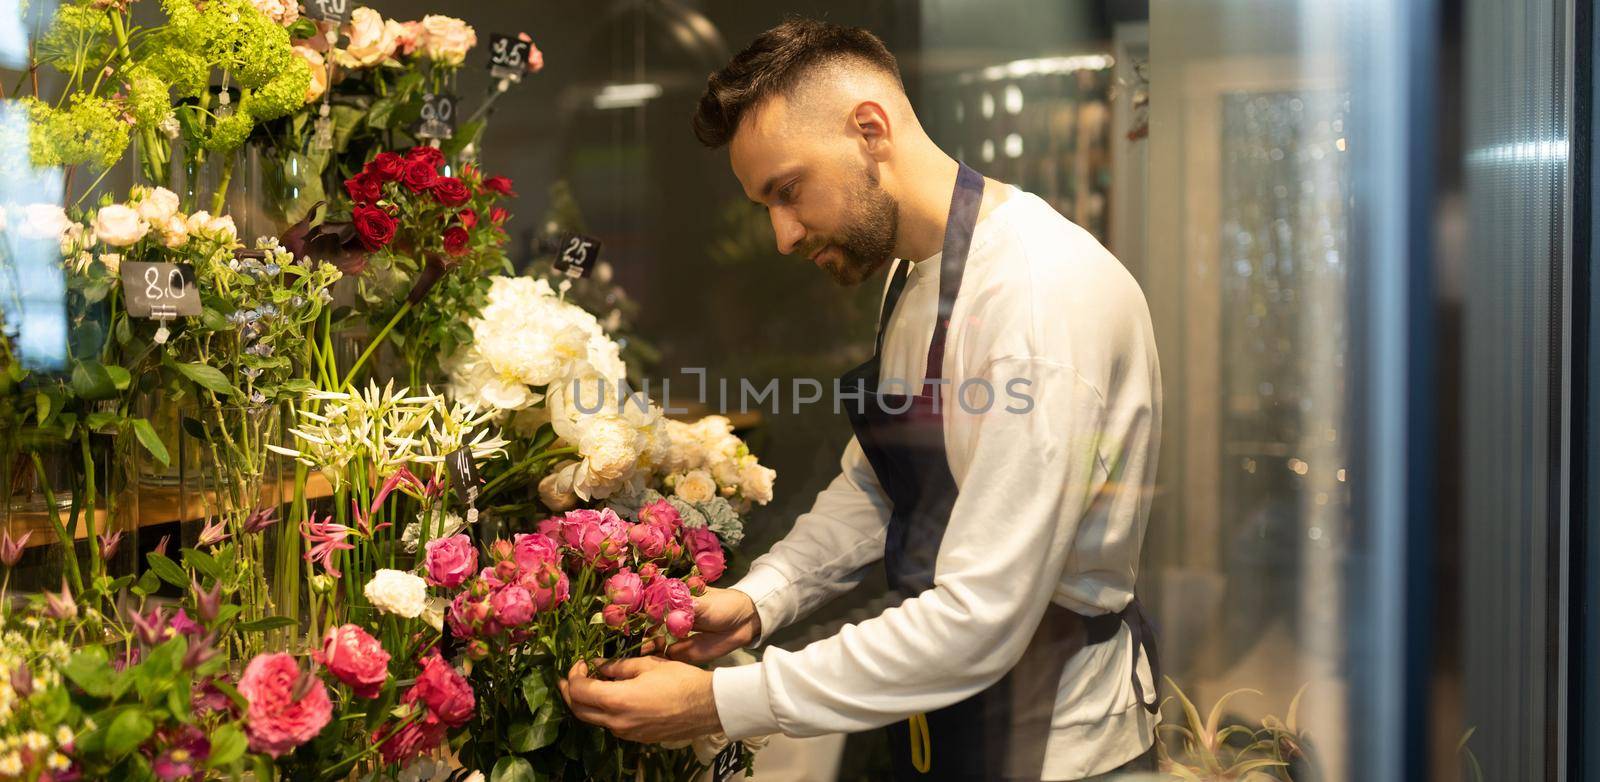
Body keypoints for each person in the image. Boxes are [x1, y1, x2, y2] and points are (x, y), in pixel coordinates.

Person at [558, 18, 1163, 781]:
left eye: (788, 191)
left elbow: (980, 618)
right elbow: (880, 486)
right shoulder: (914, 274)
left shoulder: (1036, 299)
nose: (781, 235)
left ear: (869, 129)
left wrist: (721, 701)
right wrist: (756, 602)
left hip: (1055, 747)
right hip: (945, 721)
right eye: (765, 206)